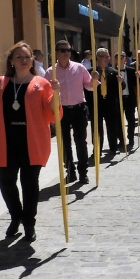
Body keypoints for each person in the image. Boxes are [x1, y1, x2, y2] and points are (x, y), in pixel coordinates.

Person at [0, 42, 56, 242]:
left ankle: (29, 222)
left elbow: (53, 116)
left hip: (33, 141)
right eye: (19, 57)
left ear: (32, 60)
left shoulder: (42, 84)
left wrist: (56, 97)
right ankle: (16, 215)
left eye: (27, 57)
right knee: (6, 182)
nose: (24, 60)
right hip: (7, 141)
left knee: (29, 184)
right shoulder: (0, 83)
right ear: (11, 61)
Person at [46, 40, 93, 185]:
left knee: (81, 142)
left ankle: (83, 173)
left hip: (79, 108)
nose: (66, 53)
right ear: (56, 53)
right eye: (63, 50)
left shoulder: (79, 68)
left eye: (68, 50)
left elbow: (89, 85)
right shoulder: (50, 72)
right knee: (64, 143)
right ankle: (70, 171)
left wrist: (95, 81)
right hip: (61, 111)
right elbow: (46, 94)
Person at [91, 48, 125, 155]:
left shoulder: (114, 72)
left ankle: (113, 147)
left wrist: (121, 82)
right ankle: (97, 149)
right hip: (96, 104)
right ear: (97, 58)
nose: (105, 59)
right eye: (102, 56)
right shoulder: (91, 72)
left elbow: (122, 87)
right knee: (97, 128)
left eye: (106, 56)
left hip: (110, 104)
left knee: (112, 127)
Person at [120, 52, 138, 146]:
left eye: (122, 57)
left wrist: (138, 78)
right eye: (117, 57)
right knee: (118, 120)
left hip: (129, 99)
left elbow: (136, 84)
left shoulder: (131, 70)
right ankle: (121, 140)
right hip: (118, 99)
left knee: (130, 120)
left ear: (125, 59)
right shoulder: (112, 71)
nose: (120, 59)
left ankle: (131, 137)